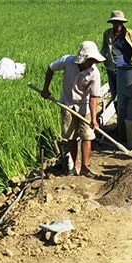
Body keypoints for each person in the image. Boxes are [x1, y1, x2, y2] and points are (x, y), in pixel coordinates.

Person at [40, 41, 106, 178]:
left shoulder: (94, 73)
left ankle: (85, 168)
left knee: (87, 135)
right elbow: (50, 68)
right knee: (71, 135)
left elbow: (94, 97)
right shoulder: (67, 61)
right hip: (67, 103)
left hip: (85, 105)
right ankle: (75, 165)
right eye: (91, 59)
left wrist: (94, 118)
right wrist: (46, 89)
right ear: (83, 58)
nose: (93, 62)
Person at [100, 10, 132, 103]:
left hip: (128, 67)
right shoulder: (107, 34)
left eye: (119, 23)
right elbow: (104, 48)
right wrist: (102, 58)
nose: (117, 26)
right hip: (113, 67)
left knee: (129, 93)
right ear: (112, 23)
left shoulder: (130, 34)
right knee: (115, 95)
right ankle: (119, 113)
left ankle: (128, 112)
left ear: (122, 23)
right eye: (115, 23)